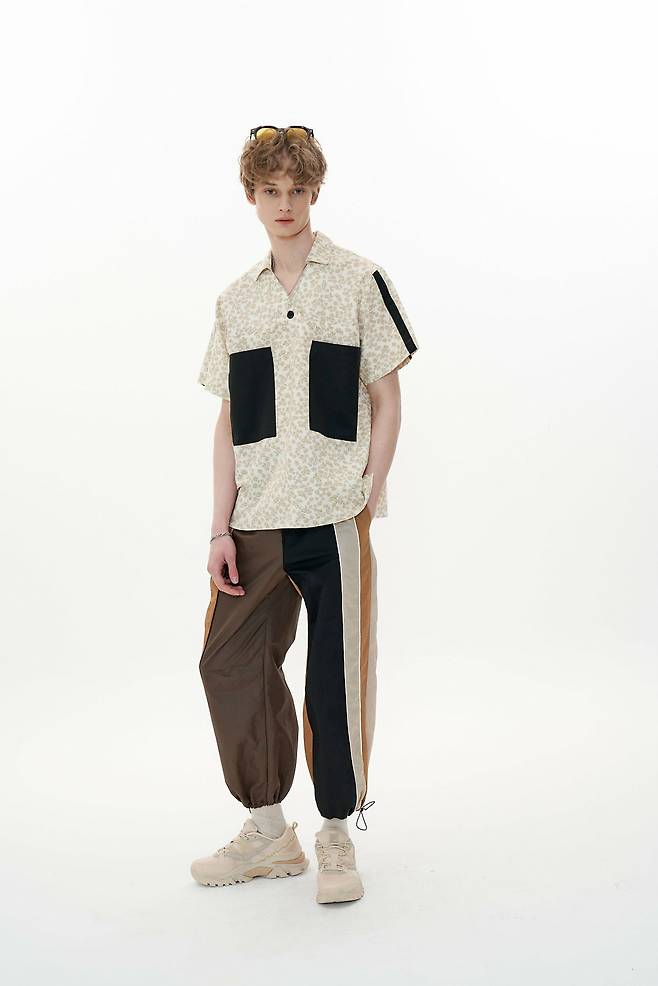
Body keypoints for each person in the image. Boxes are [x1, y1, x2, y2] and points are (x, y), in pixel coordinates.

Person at [190, 125, 420, 904]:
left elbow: (387, 396)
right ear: (251, 196)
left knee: (334, 678)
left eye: (296, 189)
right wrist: (219, 526)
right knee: (228, 663)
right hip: (255, 519)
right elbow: (229, 420)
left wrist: (367, 491)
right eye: (270, 190)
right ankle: (268, 831)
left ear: (314, 191)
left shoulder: (357, 280)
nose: (284, 203)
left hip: (332, 515)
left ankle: (334, 832)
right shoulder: (236, 300)